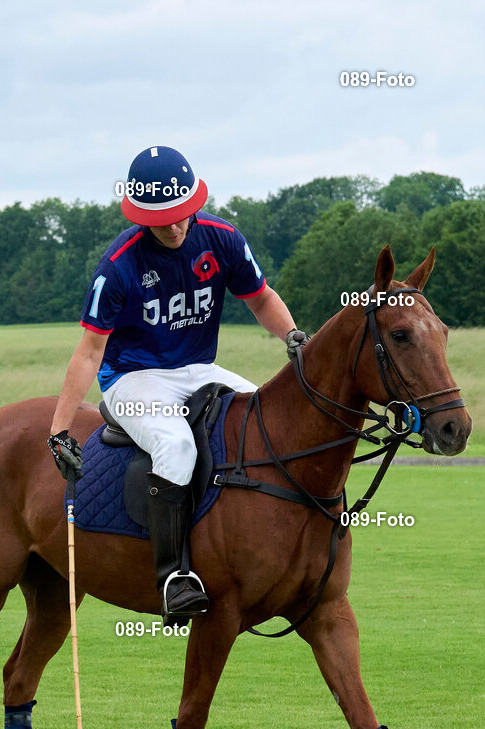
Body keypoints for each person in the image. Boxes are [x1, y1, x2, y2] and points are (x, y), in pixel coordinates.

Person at [48, 146, 308, 621]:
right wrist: (60, 429)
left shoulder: (222, 237)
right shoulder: (119, 264)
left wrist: (291, 335)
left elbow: (261, 298)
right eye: (163, 219)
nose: (175, 226)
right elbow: (88, 352)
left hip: (199, 368)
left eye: (182, 214)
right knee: (176, 446)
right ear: (141, 215)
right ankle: (175, 576)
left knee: (266, 418)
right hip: (132, 377)